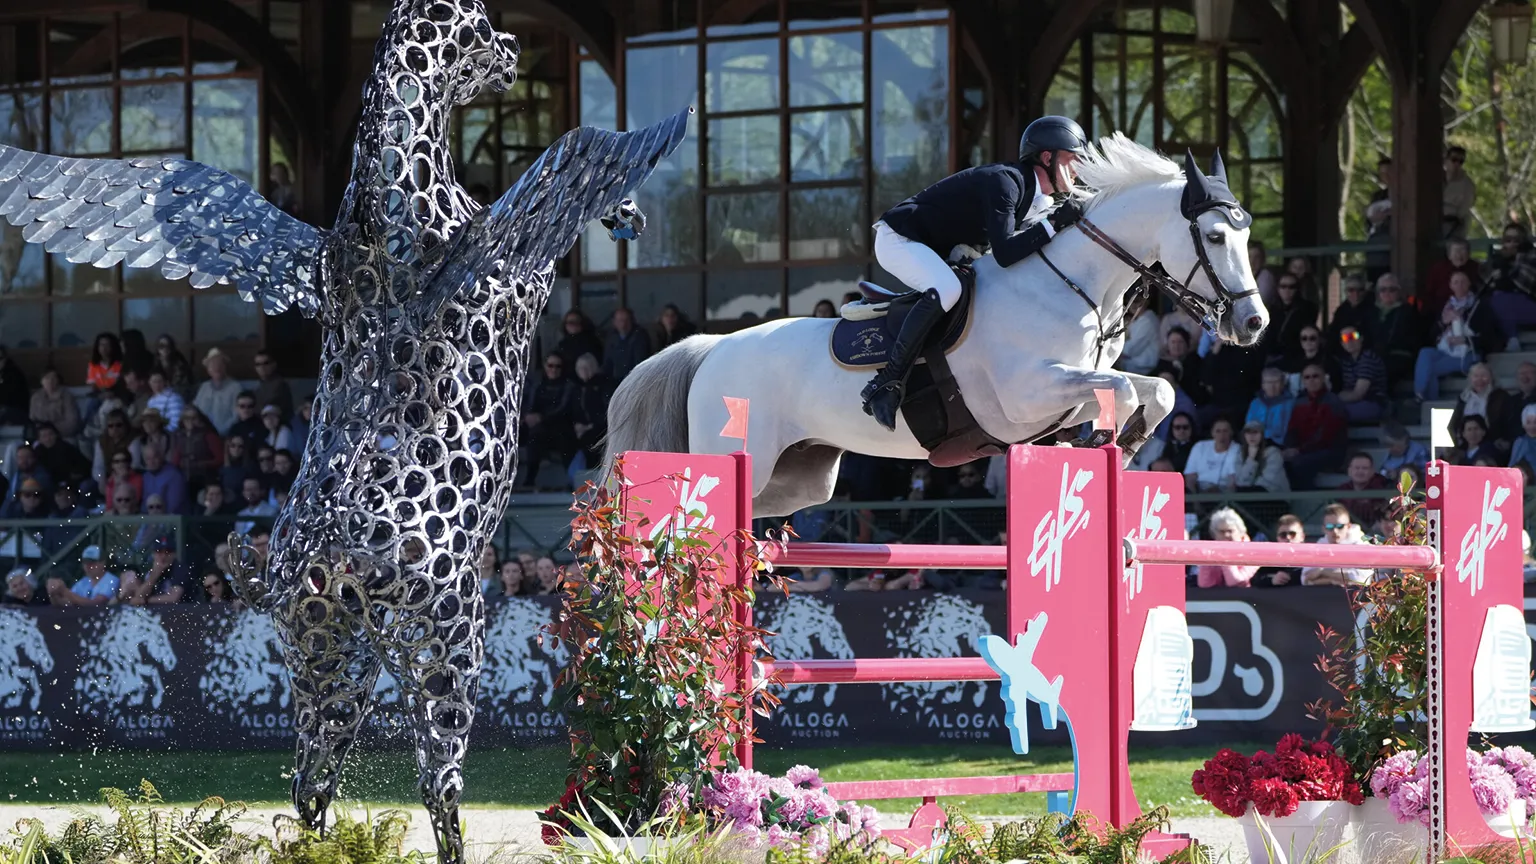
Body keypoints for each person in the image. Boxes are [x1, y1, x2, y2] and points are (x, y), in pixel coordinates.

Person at [860, 115, 1090, 430]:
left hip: (937, 247)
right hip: (900, 239)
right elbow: (1008, 253)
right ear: (1048, 157)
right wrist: (1055, 223)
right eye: (1073, 158)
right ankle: (885, 384)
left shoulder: (1039, 200)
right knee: (948, 289)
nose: (1078, 168)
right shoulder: (1005, 181)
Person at [1300, 503, 1374, 586]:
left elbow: (1362, 579)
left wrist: (1323, 572)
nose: (1335, 531)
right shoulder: (1319, 545)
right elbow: (1305, 579)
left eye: (1339, 526)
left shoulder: (1361, 544)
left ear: (1348, 526)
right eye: (1329, 526)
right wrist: (1333, 581)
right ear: (1323, 529)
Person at [1196, 508, 1256, 588]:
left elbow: (1234, 582)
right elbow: (1204, 584)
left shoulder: (1253, 553)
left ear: (1241, 532)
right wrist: (1205, 560)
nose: (1226, 535)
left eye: (1230, 531)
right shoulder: (1212, 551)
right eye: (1221, 532)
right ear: (1214, 534)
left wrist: (1225, 557)